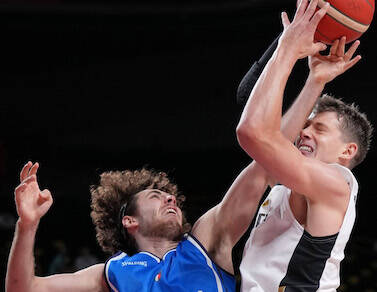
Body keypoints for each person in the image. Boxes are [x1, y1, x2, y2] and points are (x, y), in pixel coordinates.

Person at [4, 3, 364, 291]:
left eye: (169, 194)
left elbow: (264, 163)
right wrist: (28, 225)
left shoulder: (207, 240)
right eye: (157, 196)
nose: (171, 198)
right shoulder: (115, 274)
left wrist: (309, 79)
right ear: (129, 220)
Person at [236, 0, 373, 291]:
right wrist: (314, 81)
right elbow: (269, 146)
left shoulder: (335, 183)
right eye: (306, 126)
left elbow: (255, 133)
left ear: (347, 151)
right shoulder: (288, 181)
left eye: (319, 129)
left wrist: (286, 49)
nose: (304, 133)